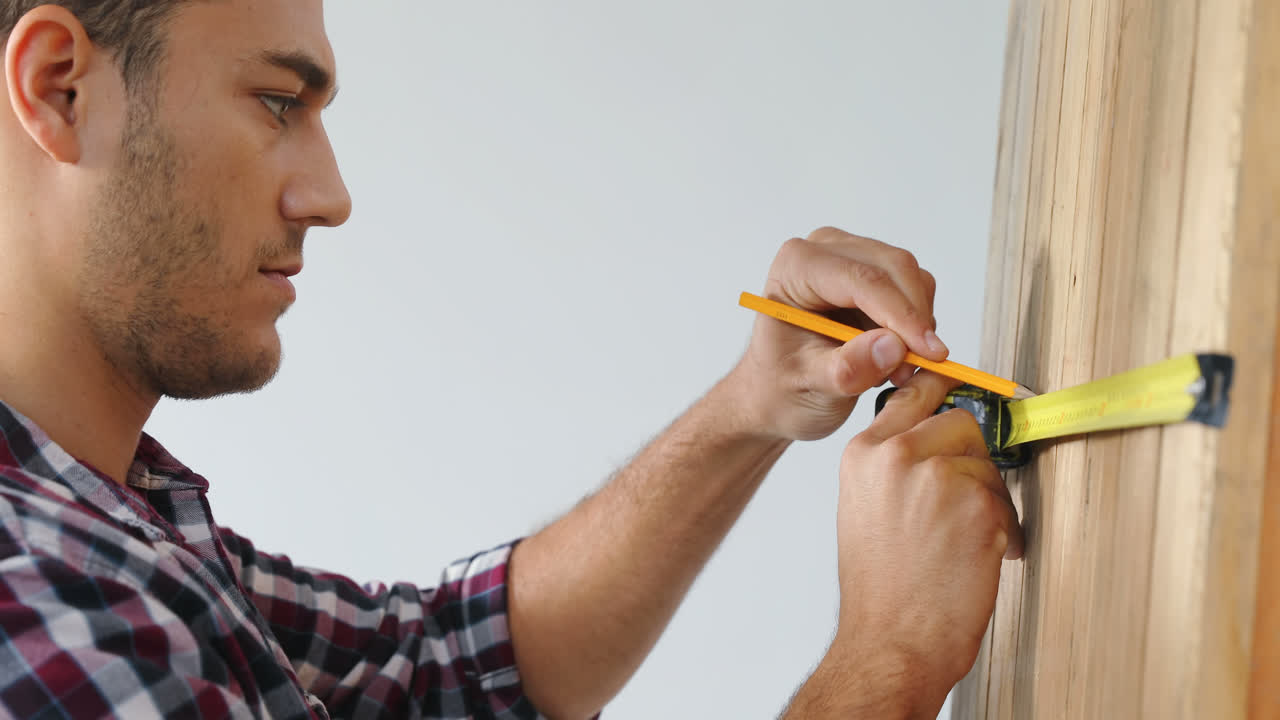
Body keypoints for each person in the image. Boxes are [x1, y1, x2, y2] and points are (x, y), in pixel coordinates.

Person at [0, 1, 1023, 718]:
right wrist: (885, 659)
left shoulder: (114, 518)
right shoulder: (45, 617)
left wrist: (753, 403)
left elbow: (447, 672)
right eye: (277, 102)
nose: (330, 192)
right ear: (59, 88)